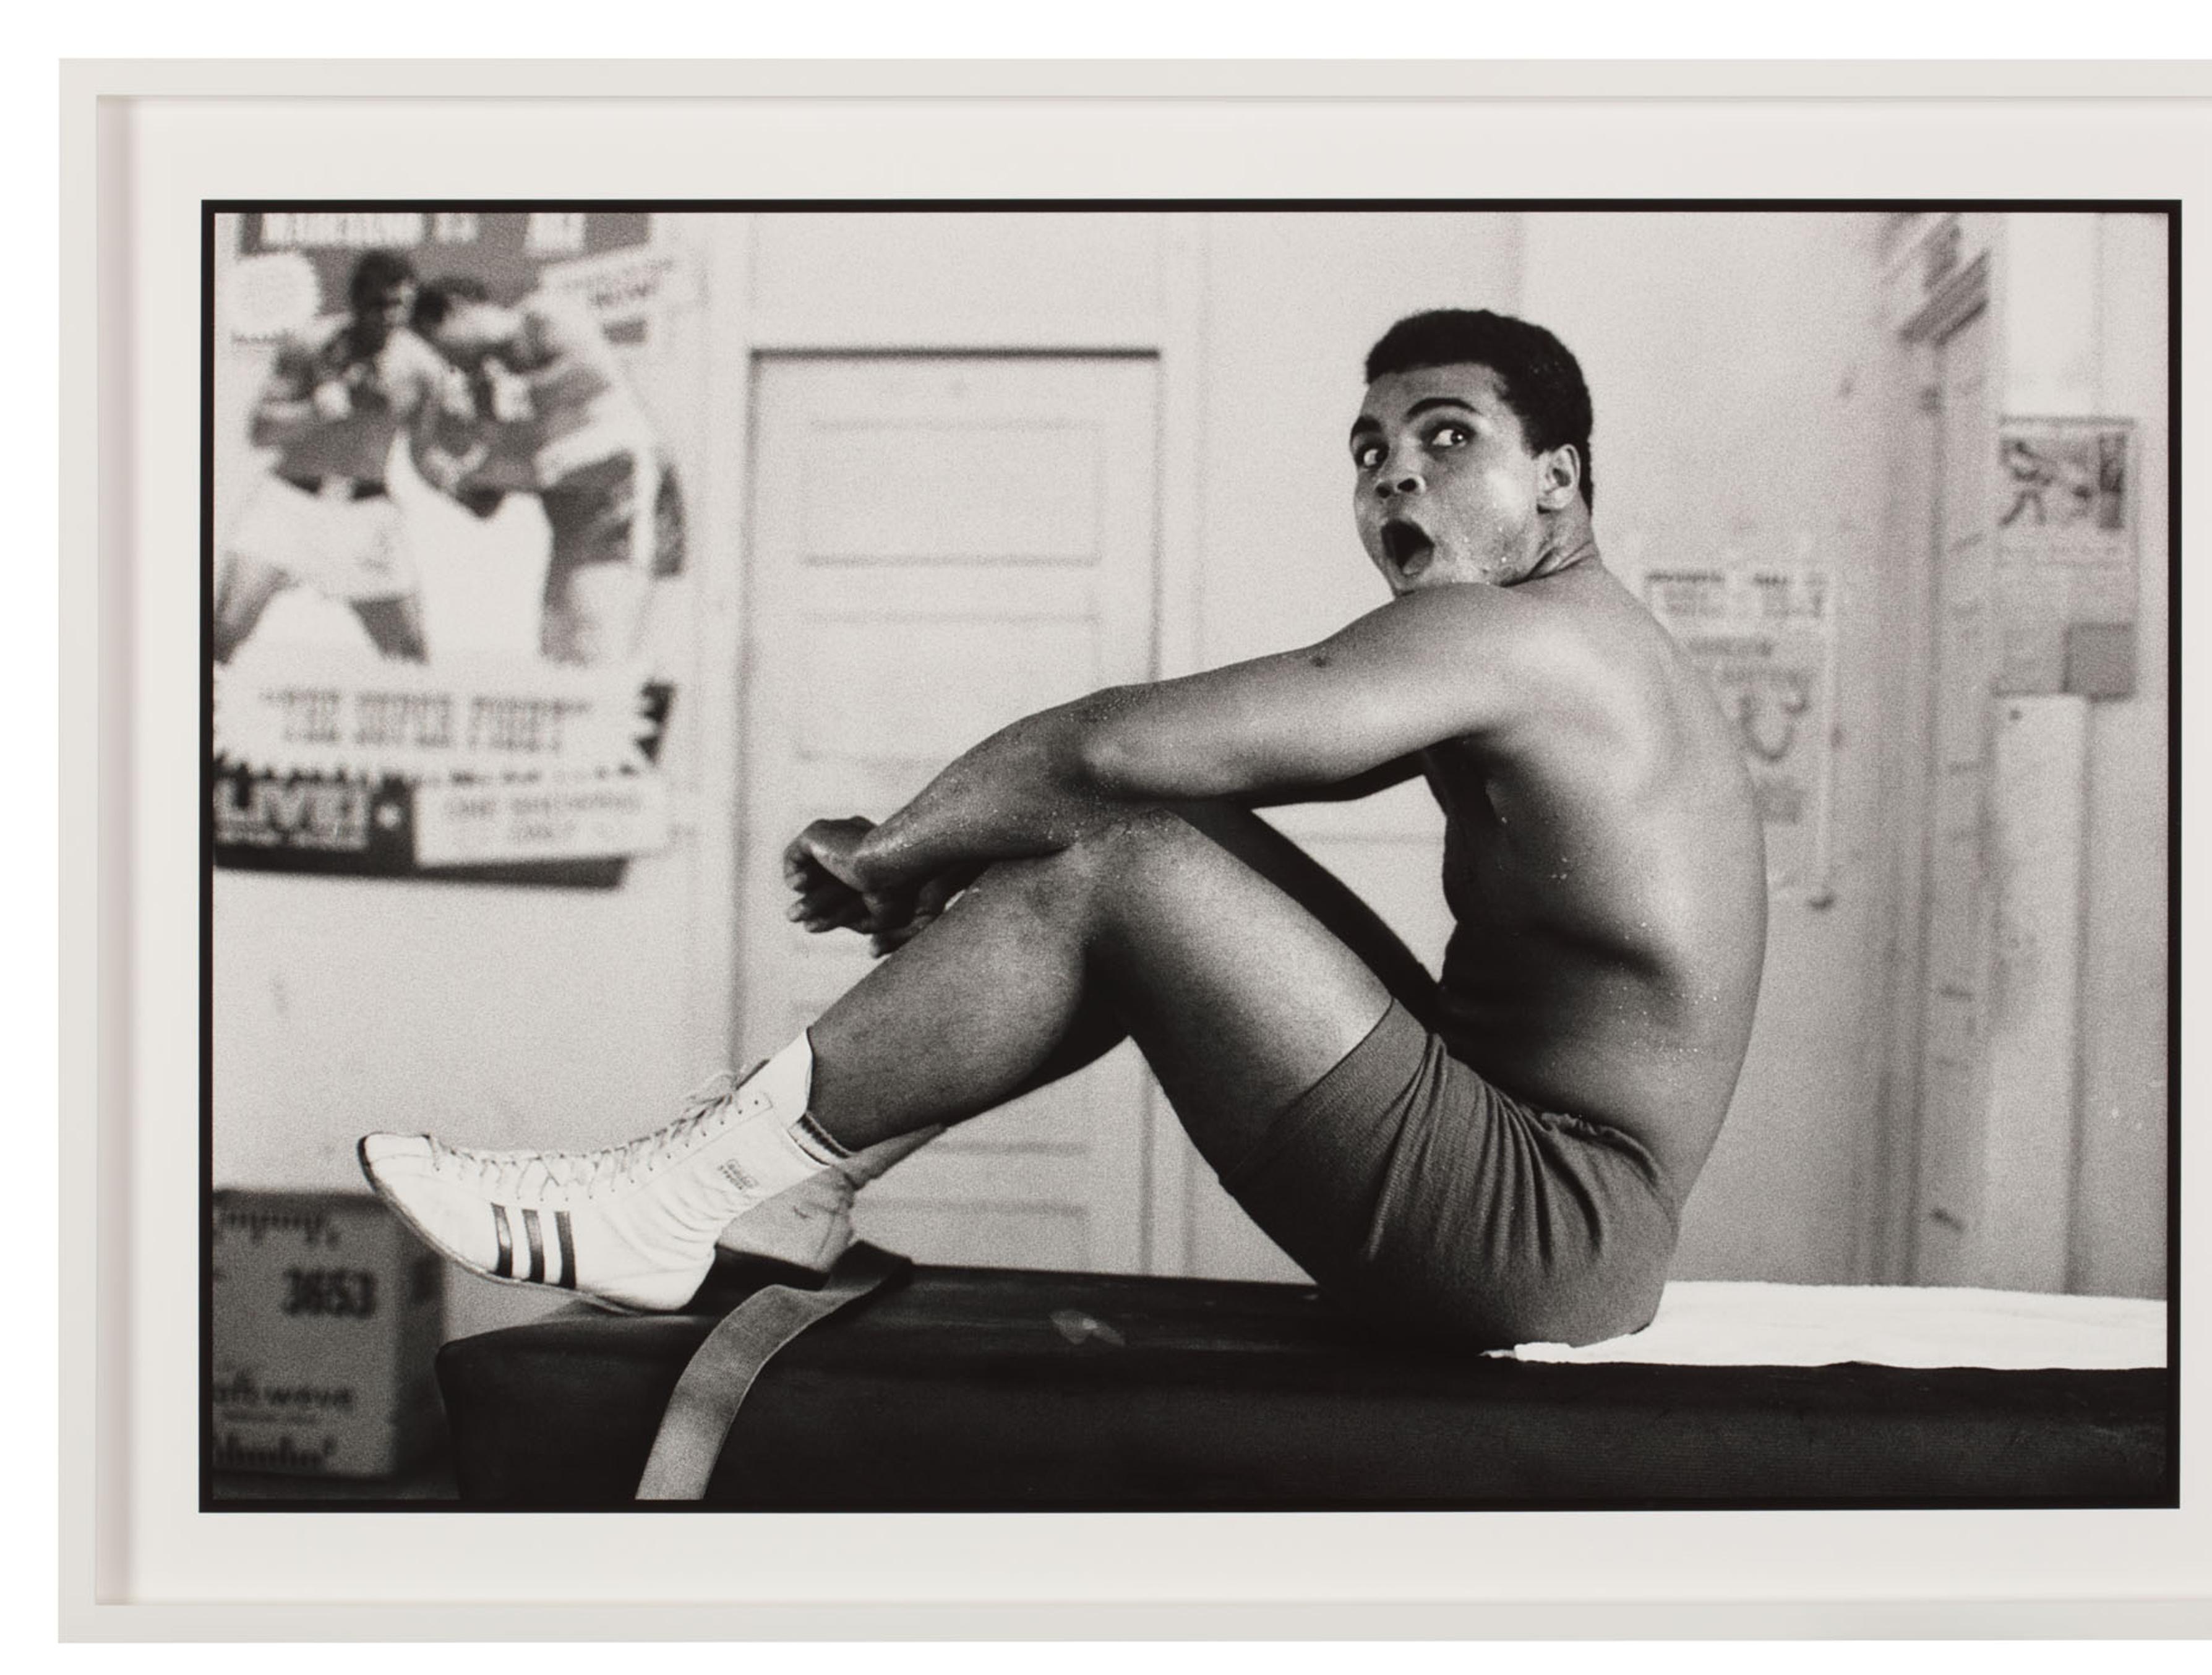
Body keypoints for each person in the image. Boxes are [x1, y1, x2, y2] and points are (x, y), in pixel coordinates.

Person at [362, 308, 1768, 1351]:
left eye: (1447, 439)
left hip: (1543, 1229)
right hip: (1536, 1183)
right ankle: (771, 1192)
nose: (1395, 477)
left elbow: (1112, 743)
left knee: (1128, 844)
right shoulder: (1576, 646)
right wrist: (980, 846)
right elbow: (1153, 772)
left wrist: (896, 845)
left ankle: (687, 1188)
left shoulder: (1526, 641)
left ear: (1559, 479)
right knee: (1159, 824)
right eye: (1370, 451)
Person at [409, 276, 685, 667]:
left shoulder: (543, 314)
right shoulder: (482, 387)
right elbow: (488, 502)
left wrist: (510, 395)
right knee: (557, 649)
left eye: (440, 344)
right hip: (572, 522)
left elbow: (590, 371)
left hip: (623, 493)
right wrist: (447, 476)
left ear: (457, 310)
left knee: (601, 644)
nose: (447, 362)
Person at [216, 251, 463, 663]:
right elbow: (261, 431)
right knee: (222, 629)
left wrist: (460, 476)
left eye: (399, 305)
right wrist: (326, 406)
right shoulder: (310, 344)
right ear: (355, 300)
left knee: (410, 654)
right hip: (287, 504)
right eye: (378, 304)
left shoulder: (422, 368)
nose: (389, 316)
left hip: (364, 513)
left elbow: (423, 455)